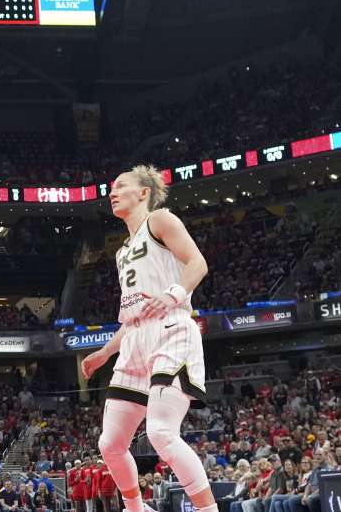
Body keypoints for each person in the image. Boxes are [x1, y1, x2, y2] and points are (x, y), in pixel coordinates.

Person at [84, 166, 216, 512]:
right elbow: (132, 317)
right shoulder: (121, 251)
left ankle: (208, 509)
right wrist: (106, 351)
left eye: (120, 185)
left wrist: (174, 294)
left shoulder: (160, 220)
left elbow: (198, 263)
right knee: (110, 443)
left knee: (160, 433)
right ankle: (136, 508)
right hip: (135, 341)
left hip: (171, 329)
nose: (112, 192)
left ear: (143, 193)